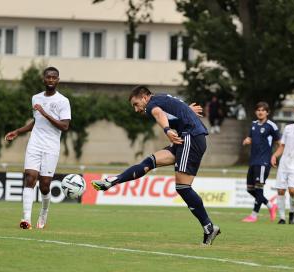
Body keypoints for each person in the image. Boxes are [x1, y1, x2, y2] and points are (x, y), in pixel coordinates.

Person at [91, 86, 221, 245]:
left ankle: (209, 227)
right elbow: (175, 109)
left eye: (136, 104)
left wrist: (167, 130)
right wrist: (187, 110)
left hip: (190, 137)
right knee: (149, 163)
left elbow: (159, 113)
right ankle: (112, 181)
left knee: (183, 187)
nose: (136, 109)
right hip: (186, 138)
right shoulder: (161, 99)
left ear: (145, 97)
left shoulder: (153, 103)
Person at [4, 66, 71, 230]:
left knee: (45, 185)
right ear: (44, 79)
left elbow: (64, 126)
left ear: (58, 80)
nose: (51, 80)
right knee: (30, 178)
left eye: (54, 77)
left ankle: (44, 211)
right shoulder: (36, 98)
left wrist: (45, 113)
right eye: (48, 77)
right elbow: (36, 122)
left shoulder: (63, 101)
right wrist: (18, 131)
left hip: (51, 146)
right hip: (35, 143)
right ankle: (26, 219)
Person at [241, 102, 281, 223]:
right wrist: (247, 140)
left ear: (267, 112)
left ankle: (254, 215)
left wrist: (275, 156)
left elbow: (280, 143)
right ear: (255, 112)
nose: (260, 112)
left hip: (263, 162)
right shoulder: (253, 125)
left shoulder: (271, 126)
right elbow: (251, 137)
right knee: (250, 189)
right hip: (253, 161)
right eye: (258, 110)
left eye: (263, 110)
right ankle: (270, 205)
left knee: (259, 189)